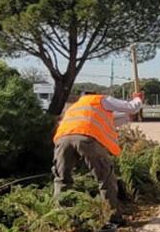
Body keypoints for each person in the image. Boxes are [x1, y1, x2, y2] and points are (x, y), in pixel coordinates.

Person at [52, 90, 144, 224]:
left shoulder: (74, 107)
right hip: (87, 137)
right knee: (105, 178)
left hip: (62, 139)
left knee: (62, 179)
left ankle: (61, 220)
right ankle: (112, 218)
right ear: (94, 94)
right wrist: (138, 99)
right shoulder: (100, 100)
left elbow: (111, 120)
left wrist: (129, 116)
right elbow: (132, 107)